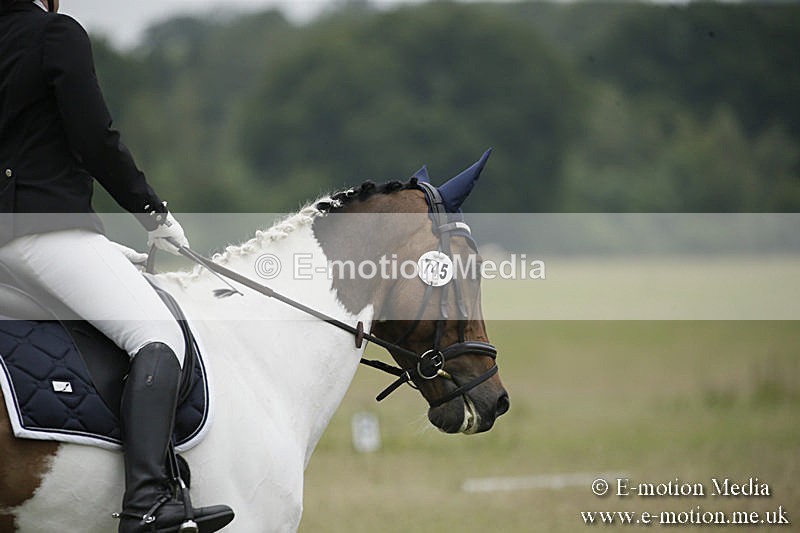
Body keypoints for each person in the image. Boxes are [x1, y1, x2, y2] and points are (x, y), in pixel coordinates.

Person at [0, 1, 234, 531]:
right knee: (157, 337)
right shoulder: (54, 34)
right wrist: (152, 213)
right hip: (40, 233)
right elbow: (94, 139)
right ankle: (148, 500)